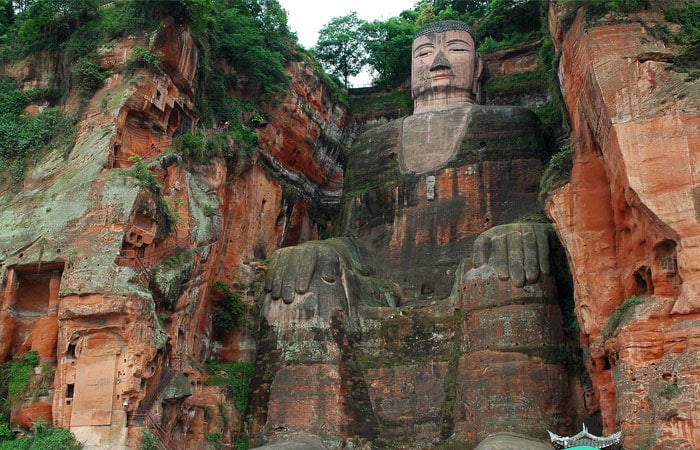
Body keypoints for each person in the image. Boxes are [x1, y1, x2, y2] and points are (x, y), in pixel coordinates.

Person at [252, 20, 564, 448]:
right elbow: (353, 237)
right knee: (306, 280)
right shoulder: (370, 143)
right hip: (380, 288)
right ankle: (305, 431)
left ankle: (508, 428)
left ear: (477, 69)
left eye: (454, 49)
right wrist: (316, 248)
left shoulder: (511, 123)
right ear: (409, 75)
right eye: (422, 54)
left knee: (507, 267)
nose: (436, 61)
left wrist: (522, 229)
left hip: (472, 273)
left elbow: (544, 209)